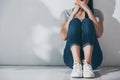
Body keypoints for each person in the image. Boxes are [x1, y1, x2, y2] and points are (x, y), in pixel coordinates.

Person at [60, 0, 104, 78]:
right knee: (74, 22)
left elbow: (99, 34)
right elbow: (63, 37)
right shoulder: (66, 13)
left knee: (87, 22)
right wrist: (73, 14)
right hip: (71, 59)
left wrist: (88, 11)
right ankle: (77, 64)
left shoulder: (97, 13)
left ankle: (88, 64)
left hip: (94, 59)